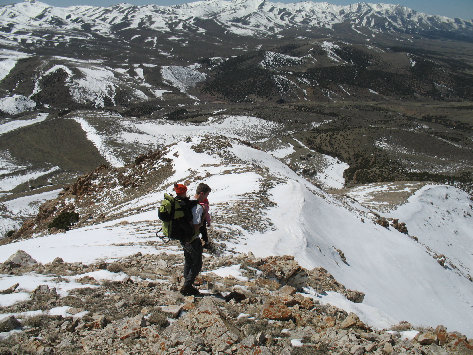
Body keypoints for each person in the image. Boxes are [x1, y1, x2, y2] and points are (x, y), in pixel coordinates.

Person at [179, 182, 212, 296]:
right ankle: (187, 286)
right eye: (207, 195)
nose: (207, 198)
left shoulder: (188, 203)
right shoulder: (197, 207)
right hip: (192, 238)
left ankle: (186, 283)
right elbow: (196, 224)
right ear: (202, 194)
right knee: (197, 263)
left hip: (183, 237)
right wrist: (204, 216)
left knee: (188, 260)